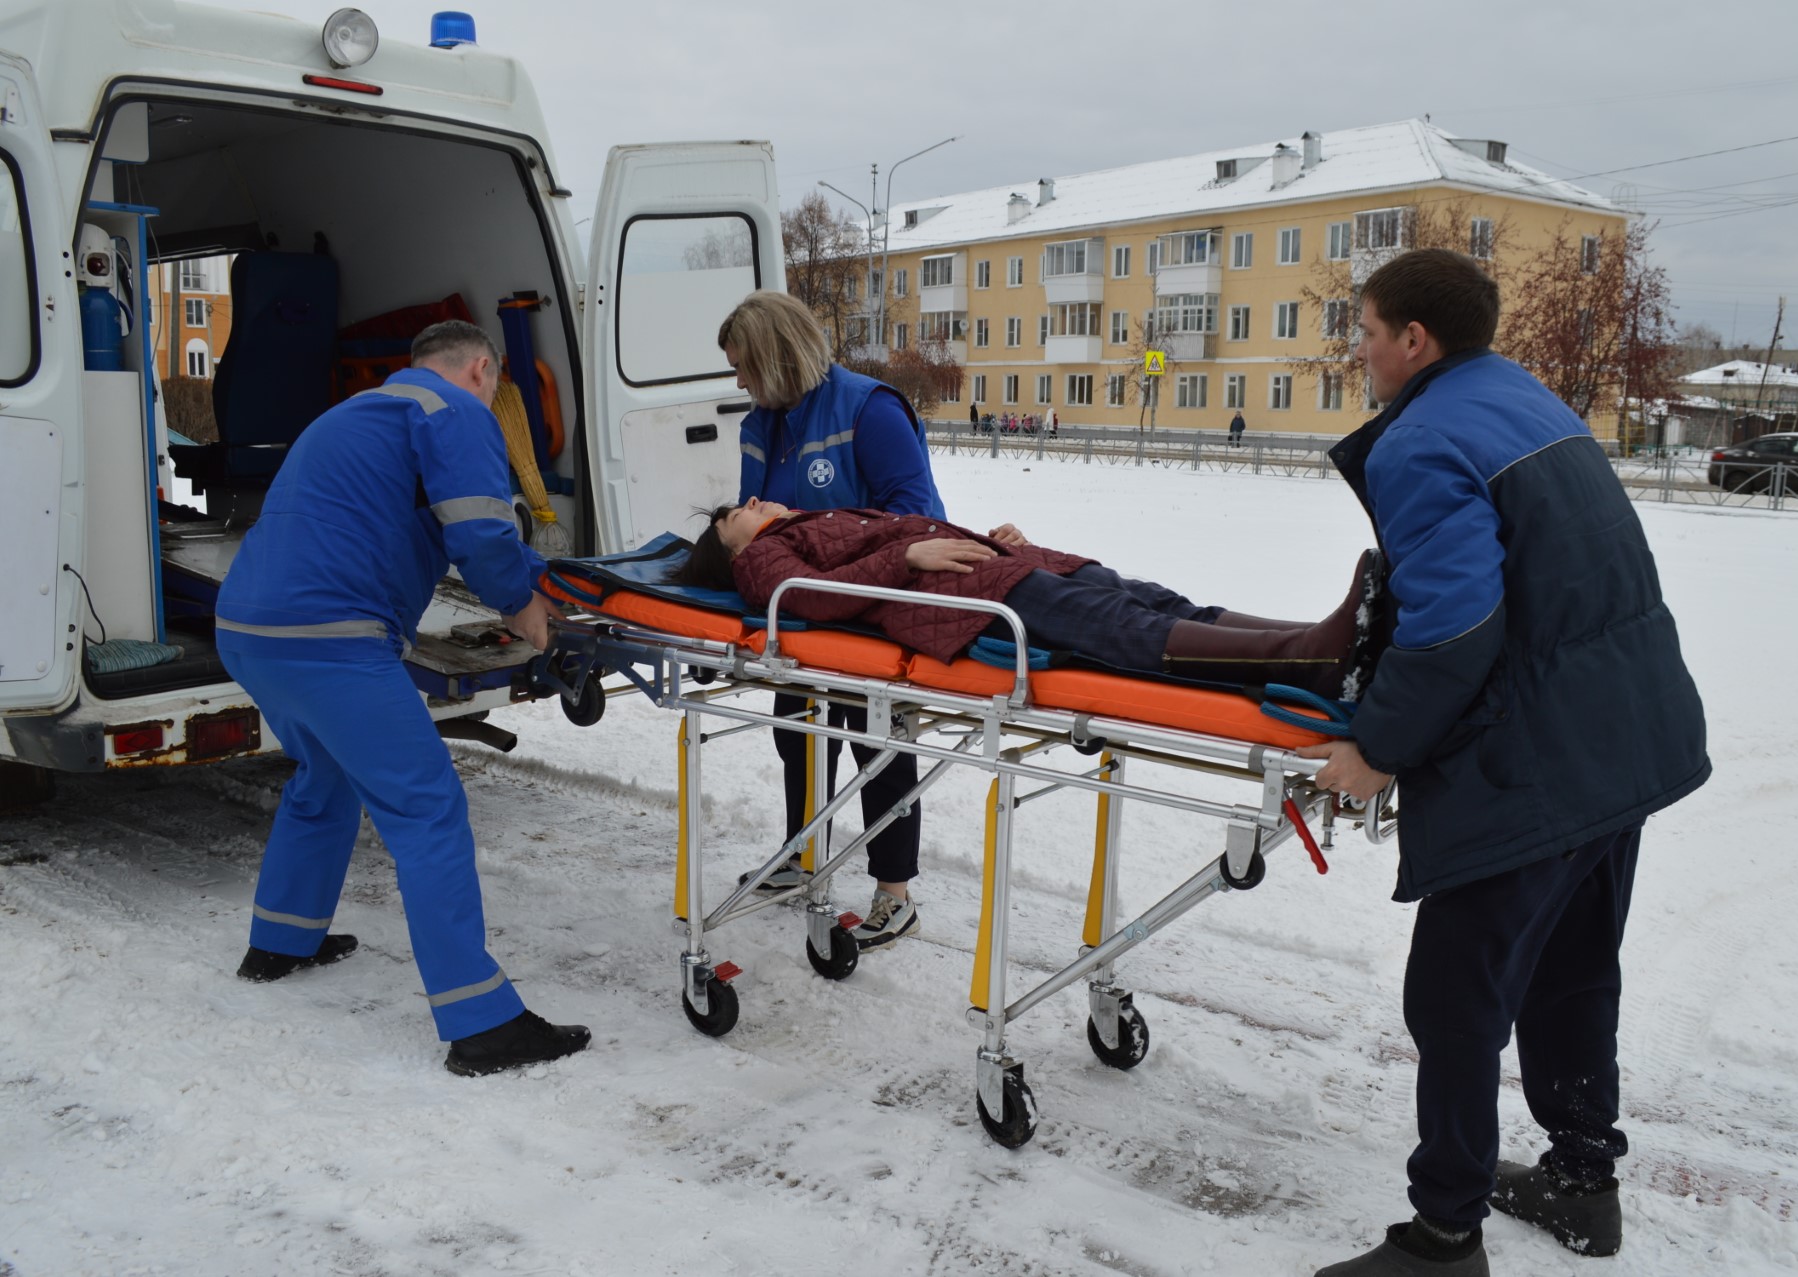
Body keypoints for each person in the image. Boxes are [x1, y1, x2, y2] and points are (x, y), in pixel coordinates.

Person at [1304, 250, 1709, 1276]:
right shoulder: (1523, 397)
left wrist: (1378, 745)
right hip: (1627, 727)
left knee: (1455, 999)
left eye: (1366, 331)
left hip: (1537, 756)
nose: (1358, 350)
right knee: (1572, 969)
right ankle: (1581, 1181)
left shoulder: (1422, 438)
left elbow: (1452, 628)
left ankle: (1444, 1236)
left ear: (1414, 340)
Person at [216, 320, 589, 1077]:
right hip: (332, 640)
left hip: (250, 629)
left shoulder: (357, 415)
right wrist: (522, 605)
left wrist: (538, 580)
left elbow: (451, 526)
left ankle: (281, 939)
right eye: (496, 386)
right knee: (428, 810)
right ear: (480, 369)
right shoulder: (454, 412)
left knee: (324, 775)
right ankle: (483, 1024)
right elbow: (479, 530)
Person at [720, 290, 945, 951]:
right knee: (798, 733)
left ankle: (894, 893)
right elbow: (756, 519)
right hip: (803, 612)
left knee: (880, 745)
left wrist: (816, 531)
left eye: (743, 367)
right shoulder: (760, 424)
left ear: (774, 357)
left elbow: (917, 516)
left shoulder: (868, 410)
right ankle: (803, 854)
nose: (739, 382)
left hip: (876, 606)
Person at [674, 497, 1377, 701]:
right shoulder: (761, 563)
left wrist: (989, 537)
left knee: (1158, 602)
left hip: (998, 567)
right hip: (967, 598)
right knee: (1123, 625)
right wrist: (907, 556)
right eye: (737, 514)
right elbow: (813, 599)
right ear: (732, 551)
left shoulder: (803, 525)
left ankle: (1323, 637)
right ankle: (1311, 659)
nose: (753, 502)